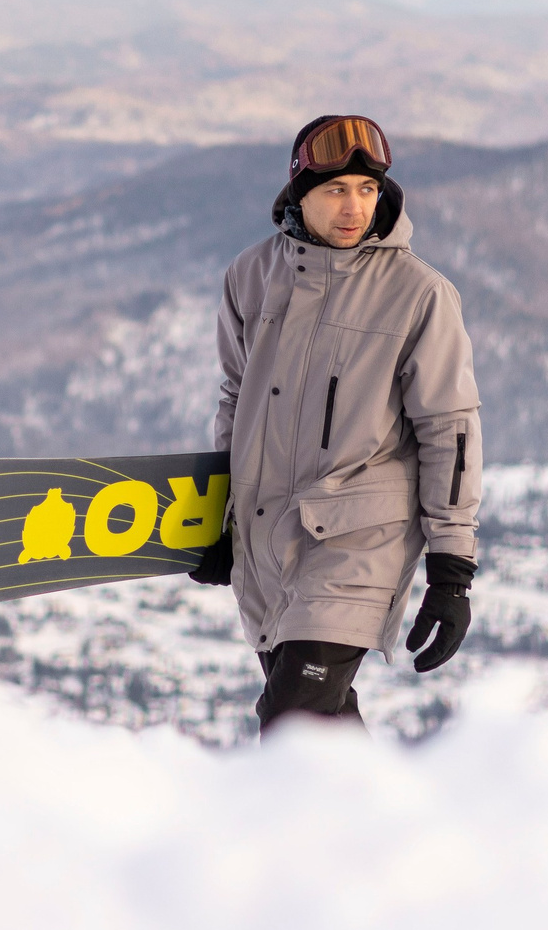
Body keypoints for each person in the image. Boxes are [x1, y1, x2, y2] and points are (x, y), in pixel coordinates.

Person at [188, 114, 482, 734]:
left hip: (358, 542)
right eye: (336, 190)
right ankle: (376, 828)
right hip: (267, 539)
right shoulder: (251, 275)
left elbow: (450, 431)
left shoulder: (419, 294)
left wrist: (451, 573)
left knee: (291, 720)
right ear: (300, 192)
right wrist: (221, 514)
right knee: (319, 734)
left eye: (368, 190)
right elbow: (236, 399)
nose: (355, 207)